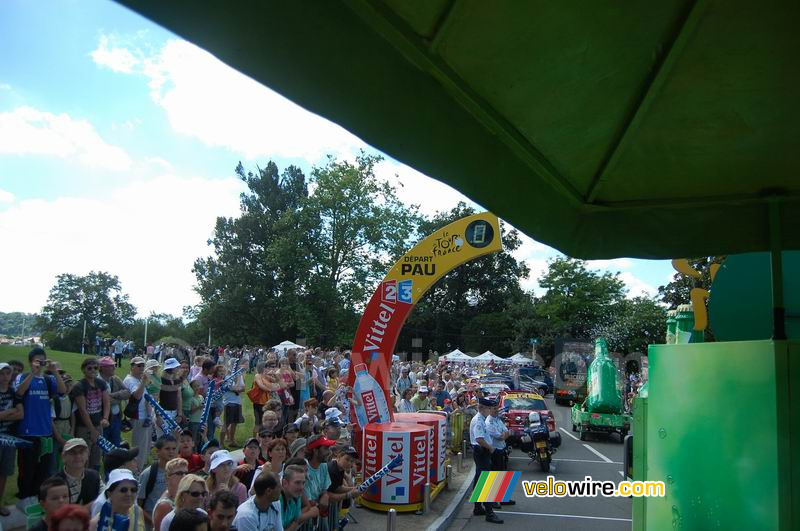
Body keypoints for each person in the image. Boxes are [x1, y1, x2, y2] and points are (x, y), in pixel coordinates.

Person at [15, 347, 67, 507]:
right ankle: (24, 497)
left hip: (45, 430)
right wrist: (32, 373)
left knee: (43, 469)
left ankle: (37, 496)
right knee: (27, 467)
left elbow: (62, 391)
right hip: (28, 430)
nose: (40, 364)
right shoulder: (23, 377)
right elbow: (18, 392)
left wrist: (55, 372)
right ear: (31, 361)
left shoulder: (47, 379)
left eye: (42, 360)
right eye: (37, 360)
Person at [71, 358, 110, 470]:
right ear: (83, 370)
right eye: (89, 368)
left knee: (96, 456)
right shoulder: (79, 386)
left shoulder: (101, 384)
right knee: (83, 457)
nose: (93, 370)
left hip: (98, 425)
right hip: (83, 427)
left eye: (95, 368)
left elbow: (106, 402)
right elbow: (83, 410)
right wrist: (92, 430)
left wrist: (105, 418)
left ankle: (93, 479)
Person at [469, 397, 503, 524]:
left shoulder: (482, 419)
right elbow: (479, 439)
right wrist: (491, 448)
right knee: (485, 483)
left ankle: (478, 507)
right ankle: (489, 513)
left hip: (482, 452)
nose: (490, 411)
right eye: (489, 408)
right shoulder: (479, 420)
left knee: (479, 481)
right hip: (481, 452)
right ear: (483, 408)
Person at [138, 435, 178, 531]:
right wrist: (154, 521)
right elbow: (138, 504)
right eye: (167, 449)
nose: (171, 452)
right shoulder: (149, 473)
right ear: (157, 451)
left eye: (173, 448)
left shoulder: (178, 472)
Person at [0, 362, 23, 515]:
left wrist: (4, 414)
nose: (5, 376)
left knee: (4, 473)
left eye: (8, 373)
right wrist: (11, 412)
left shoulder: (14, 392)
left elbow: (21, 414)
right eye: (2, 373)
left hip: (9, 438)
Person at [123, 357, 152, 472]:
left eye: (142, 366)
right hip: (137, 416)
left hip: (145, 416)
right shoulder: (130, 380)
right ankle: (136, 471)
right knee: (139, 447)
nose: (141, 368)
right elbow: (137, 396)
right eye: (138, 366)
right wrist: (144, 381)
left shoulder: (138, 379)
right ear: (132, 366)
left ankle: (141, 469)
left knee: (145, 447)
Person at [56, 438, 101, 508]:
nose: (78, 456)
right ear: (63, 457)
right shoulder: (55, 482)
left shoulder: (94, 476)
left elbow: (105, 497)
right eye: (72, 453)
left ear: (87, 455)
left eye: (81, 452)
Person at [485, 403, 515, 508]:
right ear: (489, 410)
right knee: (494, 476)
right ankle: (492, 500)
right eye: (494, 409)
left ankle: (503, 498)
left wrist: (504, 435)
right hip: (494, 450)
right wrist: (504, 435)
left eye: (497, 408)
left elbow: (507, 432)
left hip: (501, 449)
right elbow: (500, 436)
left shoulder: (497, 420)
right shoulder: (488, 422)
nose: (496, 410)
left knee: (502, 474)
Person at [98, 356, 130, 447]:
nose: (114, 368)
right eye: (111, 366)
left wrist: (112, 395)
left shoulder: (115, 379)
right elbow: (101, 401)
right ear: (103, 368)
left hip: (116, 418)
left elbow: (128, 393)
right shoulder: (96, 381)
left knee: (115, 444)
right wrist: (118, 398)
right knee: (103, 446)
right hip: (102, 419)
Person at [152, 458, 188, 531]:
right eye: (179, 473)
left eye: (186, 473)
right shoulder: (165, 505)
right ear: (167, 478)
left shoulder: (178, 496)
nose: (184, 476)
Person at [280, 464, 317, 531]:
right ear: (285, 483)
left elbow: (296, 521)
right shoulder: (277, 501)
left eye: (303, 483)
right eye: (297, 483)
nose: (302, 487)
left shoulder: (296, 497)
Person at [303, 435, 335, 508]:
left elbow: (324, 489)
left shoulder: (323, 465)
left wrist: (325, 495)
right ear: (315, 450)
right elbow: (308, 501)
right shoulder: (304, 468)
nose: (329, 452)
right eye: (326, 448)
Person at [158, 359, 184, 436]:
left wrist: (179, 414)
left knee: (173, 438)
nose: (178, 368)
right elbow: (156, 399)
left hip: (174, 412)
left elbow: (179, 398)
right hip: (164, 411)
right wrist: (158, 416)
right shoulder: (161, 380)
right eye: (177, 367)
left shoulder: (176, 380)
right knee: (163, 437)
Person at [221, 366, 245, 448]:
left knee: (235, 423)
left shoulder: (239, 376)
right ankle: (221, 442)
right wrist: (238, 380)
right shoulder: (227, 378)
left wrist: (237, 388)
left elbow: (243, 388)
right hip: (229, 403)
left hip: (238, 402)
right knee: (226, 424)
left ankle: (232, 440)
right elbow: (237, 388)